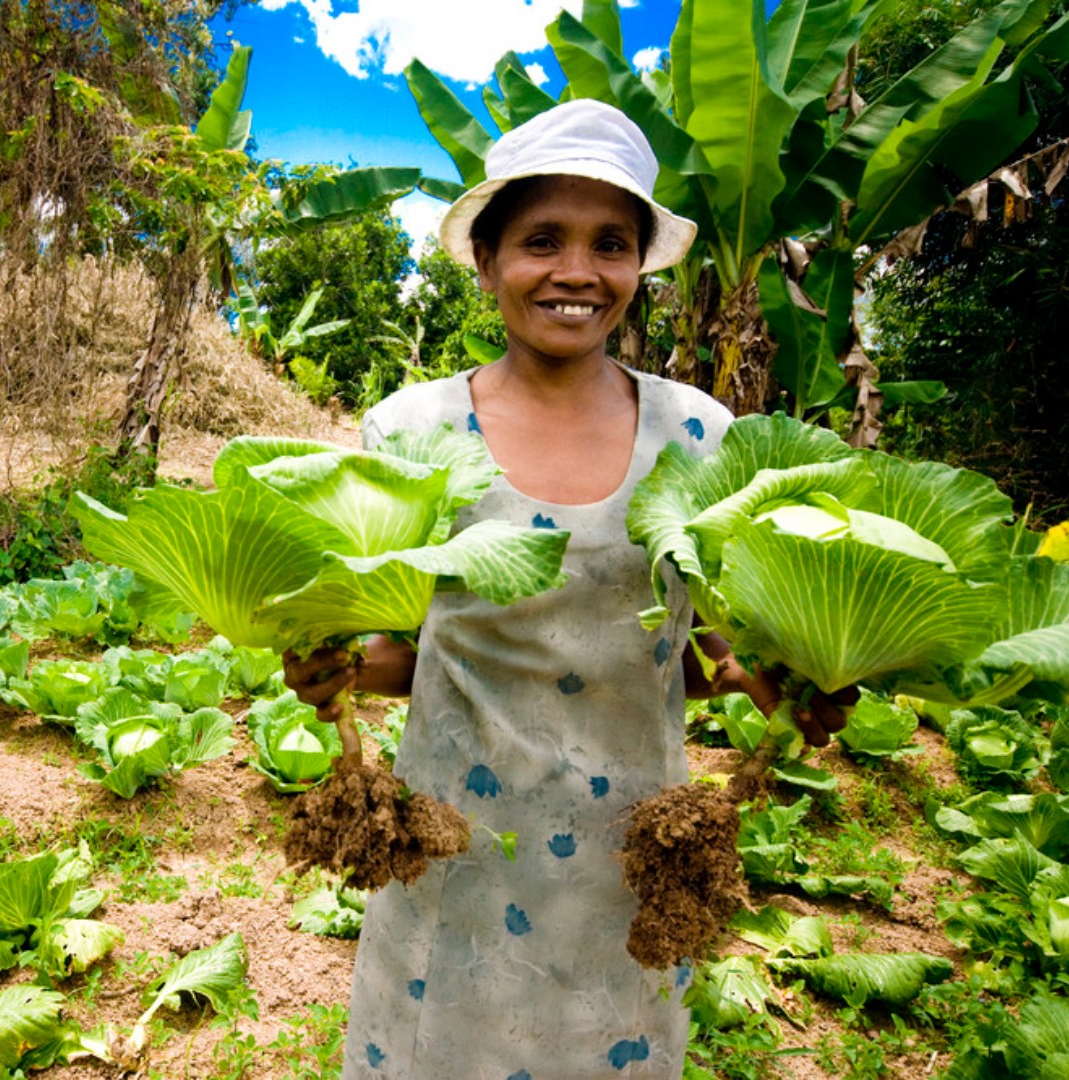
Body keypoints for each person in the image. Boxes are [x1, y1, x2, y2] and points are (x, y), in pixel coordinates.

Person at [285, 99, 847, 1080]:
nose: (578, 271)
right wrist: (329, 666)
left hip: (627, 867)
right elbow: (414, 652)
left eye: (612, 244)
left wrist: (787, 683)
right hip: (451, 859)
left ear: (638, 266)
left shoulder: (701, 434)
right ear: (487, 258)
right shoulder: (410, 431)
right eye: (542, 240)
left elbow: (699, 650)